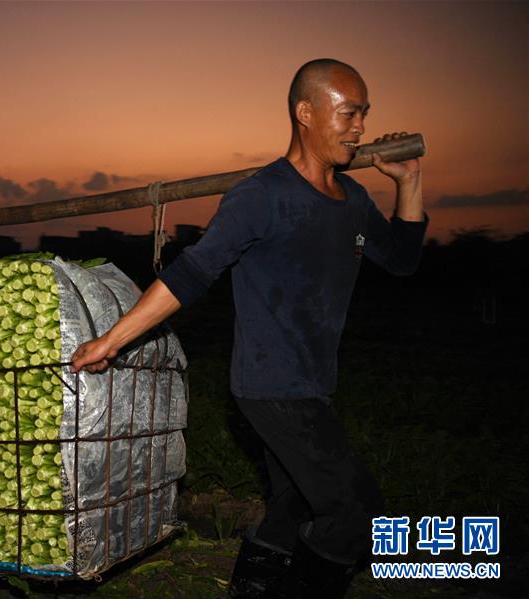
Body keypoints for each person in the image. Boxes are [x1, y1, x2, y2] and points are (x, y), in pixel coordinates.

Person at [71, 59, 427, 598]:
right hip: (270, 385)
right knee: (355, 512)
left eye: (364, 114)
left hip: (315, 383)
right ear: (305, 113)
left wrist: (410, 182)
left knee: (293, 504)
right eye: (349, 113)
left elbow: (401, 258)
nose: (360, 127)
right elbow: (190, 273)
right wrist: (110, 342)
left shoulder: (353, 200)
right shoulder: (260, 196)